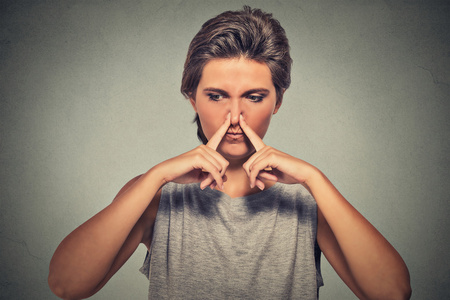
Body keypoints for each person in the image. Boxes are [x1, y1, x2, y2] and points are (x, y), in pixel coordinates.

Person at [48, 6, 411, 300]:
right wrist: (156, 176)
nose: (235, 118)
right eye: (217, 96)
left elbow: (393, 292)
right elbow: (66, 285)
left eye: (254, 97)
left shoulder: (306, 202)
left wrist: (314, 179)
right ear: (192, 98)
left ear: (277, 102)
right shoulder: (161, 195)